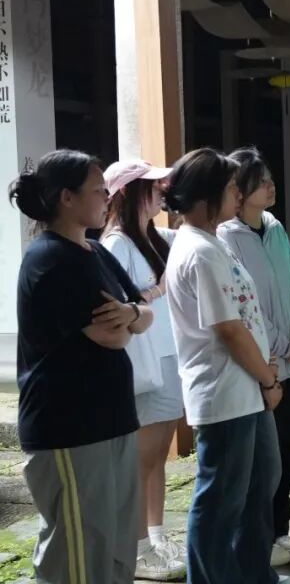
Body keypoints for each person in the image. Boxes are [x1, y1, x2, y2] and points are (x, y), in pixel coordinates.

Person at [9, 150, 155, 582]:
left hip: (111, 419)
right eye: (98, 190)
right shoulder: (49, 259)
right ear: (67, 198)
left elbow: (144, 312)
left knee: (115, 546)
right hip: (69, 427)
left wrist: (130, 314)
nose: (107, 198)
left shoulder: (94, 251)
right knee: (77, 554)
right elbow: (111, 336)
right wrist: (130, 320)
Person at [163, 148, 290, 584]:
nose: (238, 194)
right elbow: (229, 330)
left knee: (259, 485)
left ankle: (254, 574)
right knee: (221, 499)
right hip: (225, 392)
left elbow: (243, 318)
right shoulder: (199, 251)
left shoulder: (213, 242)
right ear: (205, 196)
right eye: (232, 188)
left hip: (246, 388)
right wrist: (269, 378)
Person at [218, 147, 290, 567]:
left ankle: (278, 528)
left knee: (286, 452)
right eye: (261, 181)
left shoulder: (274, 228)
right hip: (259, 363)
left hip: (287, 362)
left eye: (270, 178)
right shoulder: (226, 238)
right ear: (239, 190)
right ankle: (256, 537)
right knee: (261, 461)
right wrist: (281, 344)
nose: (271, 186)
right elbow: (246, 307)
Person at [101, 159, 187, 580]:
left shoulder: (155, 236)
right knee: (142, 457)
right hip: (145, 360)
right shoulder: (117, 243)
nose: (161, 190)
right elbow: (117, 303)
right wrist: (156, 289)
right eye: (152, 185)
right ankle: (136, 549)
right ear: (128, 191)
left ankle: (155, 536)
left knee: (157, 456)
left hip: (167, 356)